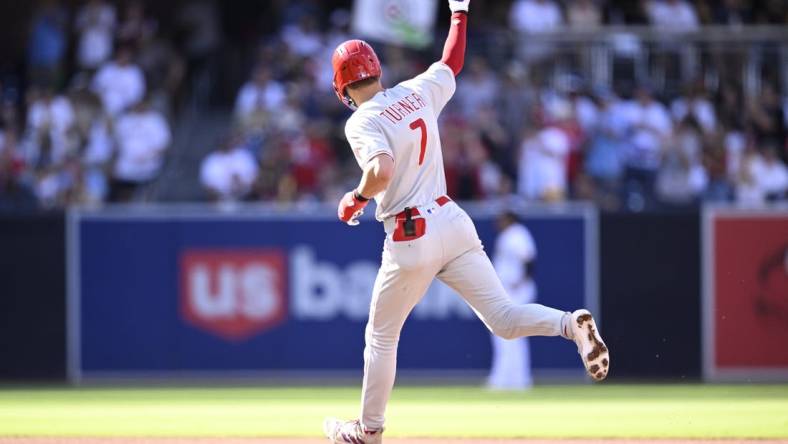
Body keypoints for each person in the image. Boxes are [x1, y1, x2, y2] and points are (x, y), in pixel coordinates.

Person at [323, 1, 609, 443]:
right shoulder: (414, 92)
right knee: (505, 317)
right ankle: (570, 325)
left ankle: (369, 431)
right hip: (452, 220)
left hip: (410, 231)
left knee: (381, 337)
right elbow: (451, 62)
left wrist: (355, 199)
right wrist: (459, 12)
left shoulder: (362, 119)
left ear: (342, 87)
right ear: (377, 70)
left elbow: (379, 172)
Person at [487, 211, 538, 391]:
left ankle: (508, 380)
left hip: (516, 290)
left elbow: (529, 260)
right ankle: (515, 380)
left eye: (501, 218)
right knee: (511, 336)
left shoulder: (517, 233)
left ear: (510, 218)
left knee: (508, 334)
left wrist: (521, 281)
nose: (498, 221)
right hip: (509, 290)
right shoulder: (509, 235)